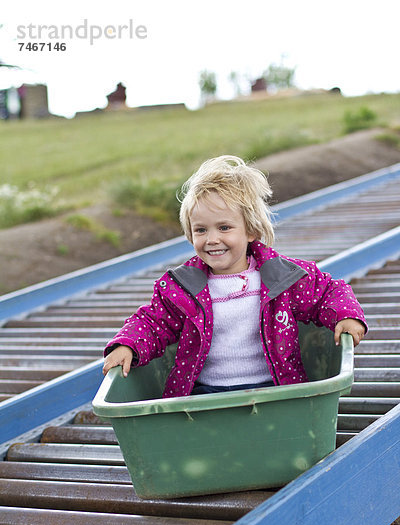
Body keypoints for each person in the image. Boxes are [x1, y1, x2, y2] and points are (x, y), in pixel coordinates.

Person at [103, 155, 367, 397]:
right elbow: (152, 322)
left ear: (251, 231)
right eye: (201, 230)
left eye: (224, 227)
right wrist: (127, 345)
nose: (212, 239)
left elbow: (327, 290)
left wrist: (346, 315)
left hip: (275, 389)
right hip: (205, 393)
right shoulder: (182, 287)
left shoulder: (281, 277)